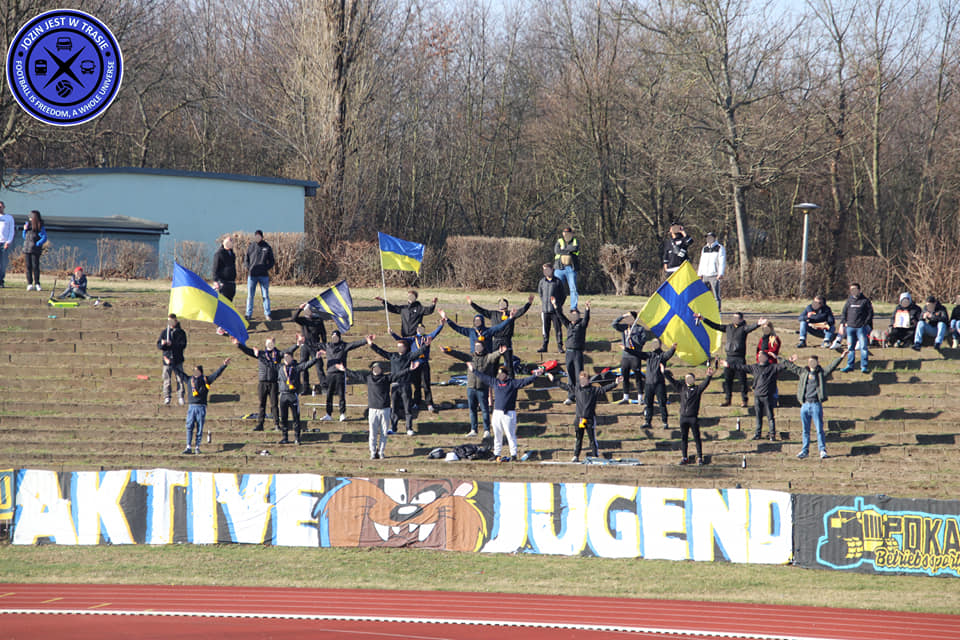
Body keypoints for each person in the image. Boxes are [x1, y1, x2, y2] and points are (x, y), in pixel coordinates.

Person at [338, 360, 419, 459]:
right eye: (374, 368)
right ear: (372, 370)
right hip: (373, 410)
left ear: (381, 370)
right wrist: (345, 370)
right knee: (373, 433)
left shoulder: (386, 378)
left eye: (378, 368)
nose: (376, 370)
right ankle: (372, 452)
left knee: (384, 433)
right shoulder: (368, 378)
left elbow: (398, 374)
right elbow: (356, 375)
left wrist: (409, 369)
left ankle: (381, 452)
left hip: (385, 409)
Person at [468, 362, 544, 462]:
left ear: (506, 374)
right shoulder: (495, 382)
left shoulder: (513, 383)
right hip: (497, 413)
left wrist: (535, 376)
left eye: (501, 374)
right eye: (498, 374)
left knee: (510, 435)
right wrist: (474, 370)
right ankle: (496, 454)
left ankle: (513, 455)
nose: (499, 376)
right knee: (497, 435)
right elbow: (484, 377)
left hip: (509, 414)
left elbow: (525, 381)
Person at [781, 351, 847, 460]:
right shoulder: (803, 372)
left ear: (817, 363)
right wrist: (784, 360)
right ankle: (804, 450)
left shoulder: (821, 373)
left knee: (819, 429)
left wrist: (841, 357)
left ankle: (822, 450)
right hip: (805, 405)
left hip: (816, 404)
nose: (811, 363)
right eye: (810, 361)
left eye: (813, 361)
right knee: (805, 430)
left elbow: (832, 366)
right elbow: (792, 367)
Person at [549, 369, 622, 462]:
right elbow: (565, 386)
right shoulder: (577, 389)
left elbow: (604, 389)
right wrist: (554, 380)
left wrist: (615, 383)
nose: (582, 382)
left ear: (588, 380)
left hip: (590, 419)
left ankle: (595, 455)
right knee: (579, 438)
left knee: (592, 438)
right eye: (581, 380)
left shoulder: (593, 390)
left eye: (584, 379)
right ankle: (576, 455)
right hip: (579, 419)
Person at [695, 312, 765, 407]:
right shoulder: (728, 327)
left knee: (742, 381)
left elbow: (750, 328)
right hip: (729, 358)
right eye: (733, 318)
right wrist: (703, 319)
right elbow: (716, 326)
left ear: (741, 320)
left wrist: (758, 324)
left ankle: (744, 400)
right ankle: (728, 399)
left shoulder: (743, 328)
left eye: (736, 318)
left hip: (739, 358)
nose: (734, 320)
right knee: (728, 380)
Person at [366, 334, 430, 435]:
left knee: (407, 408)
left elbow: (419, 352)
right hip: (395, 385)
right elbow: (381, 352)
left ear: (405, 348)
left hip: (406, 385)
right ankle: (394, 428)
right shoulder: (393, 356)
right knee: (394, 408)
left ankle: (409, 428)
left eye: (401, 346)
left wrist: (426, 345)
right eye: (398, 346)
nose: (399, 348)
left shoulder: (409, 356)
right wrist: (371, 344)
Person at [441, 342, 506, 437]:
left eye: (479, 346)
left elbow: (493, 356)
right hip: (471, 387)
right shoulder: (470, 357)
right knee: (472, 409)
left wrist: (499, 352)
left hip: (482, 388)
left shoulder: (487, 357)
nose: (477, 348)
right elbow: (459, 354)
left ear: (483, 347)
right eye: (476, 346)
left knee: (484, 409)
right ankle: (473, 429)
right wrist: (448, 351)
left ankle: (486, 430)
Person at [720, 351, 785, 441]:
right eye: (759, 356)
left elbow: (784, 365)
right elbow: (741, 367)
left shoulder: (772, 367)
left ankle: (772, 435)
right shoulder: (755, 367)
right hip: (757, 395)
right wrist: (728, 365)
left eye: (762, 356)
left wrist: (778, 357)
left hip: (767, 396)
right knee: (758, 416)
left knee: (770, 416)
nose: (760, 358)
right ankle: (758, 434)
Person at [233, 336, 291, 432]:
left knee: (274, 404)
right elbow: (248, 351)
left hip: (273, 382)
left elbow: (288, 350)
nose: (269, 344)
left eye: (271, 342)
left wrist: (298, 344)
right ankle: (260, 424)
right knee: (261, 404)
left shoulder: (278, 354)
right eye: (268, 343)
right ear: (265, 344)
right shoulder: (260, 353)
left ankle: (276, 424)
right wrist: (238, 345)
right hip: (262, 382)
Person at [467, 294, 533, 378]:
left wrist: (529, 303)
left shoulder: (510, 314)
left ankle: (511, 381)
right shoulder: (493, 314)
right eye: (500, 304)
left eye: (504, 304)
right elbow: (482, 310)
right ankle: (493, 381)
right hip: (496, 340)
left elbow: (521, 311)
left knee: (509, 363)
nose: (502, 306)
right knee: (494, 362)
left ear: (507, 305)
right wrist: (472, 304)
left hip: (506, 340)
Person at [390, 320, 445, 411]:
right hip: (415, 364)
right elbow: (400, 339)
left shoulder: (427, 337)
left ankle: (429, 403)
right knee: (416, 385)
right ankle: (416, 402)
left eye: (422, 328)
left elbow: (436, 332)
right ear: (416, 330)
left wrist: (441, 325)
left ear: (424, 329)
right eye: (419, 328)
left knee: (426, 384)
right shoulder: (412, 339)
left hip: (424, 363)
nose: (420, 330)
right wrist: (392, 334)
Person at [665, 367, 715, 465]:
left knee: (696, 437)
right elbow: (672, 381)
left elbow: (705, 384)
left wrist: (709, 376)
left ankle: (700, 457)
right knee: (684, 438)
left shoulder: (697, 389)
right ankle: (684, 457)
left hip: (693, 418)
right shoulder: (682, 388)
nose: (688, 380)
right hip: (683, 417)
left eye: (690, 378)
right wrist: (665, 373)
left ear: (694, 379)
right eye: (687, 378)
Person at [316, 330, 367, 422]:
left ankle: (342, 414)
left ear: (339, 337)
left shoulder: (344, 346)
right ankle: (328, 414)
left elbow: (354, 344)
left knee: (341, 394)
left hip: (340, 373)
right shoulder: (327, 345)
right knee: (329, 394)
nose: (334, 338)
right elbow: (314, 344)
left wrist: (365, 340)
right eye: (333, 336)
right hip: (330, 373)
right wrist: (303, 342)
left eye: (336, 336)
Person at [182, 358, 230, 454]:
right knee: (189, 426)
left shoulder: (206, 380)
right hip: (191, 406)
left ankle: (197, 447)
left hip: (201, 407)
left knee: (199, 427)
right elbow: (180, 373)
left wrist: (224, 365)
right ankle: (188, 446)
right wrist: (171, 364)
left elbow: (216, 374)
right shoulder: (189, 380)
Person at [275, 348, 322, 445]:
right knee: (283, 418)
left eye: (288, 357)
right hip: (283, 395)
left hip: (292, 395)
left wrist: (315, 358)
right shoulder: (280, 367)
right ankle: (285, 437)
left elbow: (306, 365)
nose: (286, 359)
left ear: (292, 358)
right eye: (285, 358)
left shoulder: (296, 367)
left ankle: (297, 437)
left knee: (296, 417)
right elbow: (269, 363)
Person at [554, 301, 591, 405]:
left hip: (578, 353)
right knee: (570, 375)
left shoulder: (582, 325)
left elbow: (586, 319)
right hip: (568, 353)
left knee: (579, 375)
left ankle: (581, 395)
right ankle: (571, 396)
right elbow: (561, 317)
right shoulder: (568, 324)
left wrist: (587, 309)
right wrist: (556, 306)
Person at [293, 302, 333, 395]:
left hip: (316, 345)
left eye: (310, 311)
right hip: (305, 345)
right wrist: (299, 308)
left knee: (319, 367)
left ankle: (324, 387)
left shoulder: (318, 320)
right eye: (307, 312)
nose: (309, 314)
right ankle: (305, 388)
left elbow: (323, 334)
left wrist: (323, 346)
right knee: (304, 367)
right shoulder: (303, 320)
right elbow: (294, 318)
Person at [637, 338, 677, 430]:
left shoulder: (662, 355)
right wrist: (626, 349)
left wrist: (672, 349)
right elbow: (638, 353)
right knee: (648, 404)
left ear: (660, 344)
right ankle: (647, 421)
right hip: (648, 384)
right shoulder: (649, 355)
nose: (654, 344)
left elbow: (668, 355)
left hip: (659, 384)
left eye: (656, 343)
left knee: (662, 403)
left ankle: (665, 422)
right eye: (653, 342)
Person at [611, 311, 648, 404]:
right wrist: (622, 316)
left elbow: (642, 342)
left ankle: (640, 397)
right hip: (625, 357)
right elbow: (614, 324)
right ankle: (625, 397)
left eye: (630, 317)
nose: (628, 319)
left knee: (637, 377)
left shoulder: (640, 329)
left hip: (635, 356)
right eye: (627, 318)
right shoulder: (624, 327)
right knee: (625, 376)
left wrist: (632, 337)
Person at [838, 282, 874, 373]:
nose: (853, 291)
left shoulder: (865, 301)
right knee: (850, 348)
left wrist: (865, 324)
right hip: (850, 328)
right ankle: (850, 365)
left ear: (859, 290)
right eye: (851, 290)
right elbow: (844, 313)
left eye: (855, 289)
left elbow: (870, 314)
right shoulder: (849, 301)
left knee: (863, 347)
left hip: (861, 328)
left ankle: (864, 366)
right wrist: (843, 324)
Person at [442, 309, 514, 353]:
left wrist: (509, 318)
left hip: (487, 356)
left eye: (479, 321)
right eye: (476, 321)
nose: (477, 322)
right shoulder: (471, 331)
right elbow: (457, 328)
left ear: (482, 322)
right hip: (474, 356)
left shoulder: (489, 331)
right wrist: (447, 319)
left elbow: (500, 327)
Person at [157, 313, 188, 406]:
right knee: (167, 379)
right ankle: (167, 396)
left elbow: (183, 345)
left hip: (177, 359)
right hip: (167, 360)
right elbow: (159, 345)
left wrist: (172, 344)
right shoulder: (164, 332)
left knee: (180, 379)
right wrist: (163, 344)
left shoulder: (181, 332)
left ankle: (180, 396)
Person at [244, 229, 275, 321]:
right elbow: (246, 259)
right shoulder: (251, 247)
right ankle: (248, 314)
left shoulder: (267, 247)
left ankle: (267, 314)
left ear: (262, 237)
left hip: (263, 275)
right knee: (250, 296)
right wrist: (249, 268)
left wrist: (266, 268)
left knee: (265, 295)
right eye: (256, 236)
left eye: (259, 236)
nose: (257, 238)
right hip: (252, 275)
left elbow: (272, 261)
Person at [537, 263, 566, 353]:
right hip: (545, 310)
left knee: (558, 329)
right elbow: (540, 293)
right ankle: (544, 346)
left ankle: (560, 346)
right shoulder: (542, 282)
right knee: (546, 329)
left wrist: (558, 305)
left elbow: (563, 295)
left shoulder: (558, 282)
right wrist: (544, 303)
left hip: (555, 311)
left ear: (552, 269)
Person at [553, 226, 580, 311]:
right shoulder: (559, 241)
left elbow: (575, 248)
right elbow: (556, 251)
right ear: (563, 234)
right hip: (559, 268)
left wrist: (563, 249)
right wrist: (568, 250)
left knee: (573, 289)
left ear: (572, 234)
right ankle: (556, 306)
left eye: (568, 233)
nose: (566, 234)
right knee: (556, 288)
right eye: (565, 233)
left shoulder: (575, 241)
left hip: (571, 268)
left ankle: (573, 307)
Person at [697, 231, 725, 310]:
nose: (709, 239)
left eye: (710, 237)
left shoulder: (719, 247)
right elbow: (701, 261)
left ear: (714, 238)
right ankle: (706, 309)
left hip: (714, 275)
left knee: (716, 295)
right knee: (705, 294)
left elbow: (722, 261)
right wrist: (700, 273)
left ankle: (717, 310)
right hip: (705, 274)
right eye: (707, 238)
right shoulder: (704, 248)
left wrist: (721, 273)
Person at [22, 210, 47, 291]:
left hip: (35, 250)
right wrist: (24, 230)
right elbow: (24, 236)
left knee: (35, 266)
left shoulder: (39, 227)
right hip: (26, 249)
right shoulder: (27, 225)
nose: (29, 218)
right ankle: (29, 283)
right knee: (28, 266)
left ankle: (37, 283)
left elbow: (44, 237)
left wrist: (37, 244)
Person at [212, 236, 237, 302]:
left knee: (230, 302)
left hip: (231, 282)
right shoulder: (219, 254)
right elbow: (215, 268)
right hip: (223, 282)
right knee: (223, 301)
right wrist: (215, 281)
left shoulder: (232, 254)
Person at [0, 201, 13, 288]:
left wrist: (8, 241)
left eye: (1, 206)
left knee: (2, 264)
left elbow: (11, 231)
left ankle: (1, 280)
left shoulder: (9, 218)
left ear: (4, 207)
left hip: (4, 243)